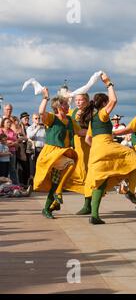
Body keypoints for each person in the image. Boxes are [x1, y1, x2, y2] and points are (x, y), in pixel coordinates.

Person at [82, 73, 136, 225]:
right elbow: (114, 100)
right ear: (104, 103)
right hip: (107, 145)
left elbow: (88, 139)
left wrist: (97, 147)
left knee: (100, 182)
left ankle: (94, 215)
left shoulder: (91, 120)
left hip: (95, 150)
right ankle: (129, 189)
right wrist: (109, 84)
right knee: (133, 158)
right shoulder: (102, 114)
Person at [34, 88, 79, 219]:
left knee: (55, 182)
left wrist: (99, 132)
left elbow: (81, 132)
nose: (68, 106)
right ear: (59, 107)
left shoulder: (70, 120)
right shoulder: (52, 118)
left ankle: (47, 208)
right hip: (51, 154)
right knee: (71, 164)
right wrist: (45, 98)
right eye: (65, 104)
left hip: (62, 153)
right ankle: (58, 193)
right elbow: (41, 112)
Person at [64, 93, 93, 215]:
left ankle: (88, 204)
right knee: (71, 172)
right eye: (76, 100)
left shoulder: (92, 113)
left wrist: (81, 130)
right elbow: (66, 123)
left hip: (87, 147)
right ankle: (55, 200)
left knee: (87, 175)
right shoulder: (73, 111)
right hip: (75, 146)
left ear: (86, 101)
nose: (78, 102)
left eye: (81, 100)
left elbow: (94, 130)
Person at [27, 113, 46, 178]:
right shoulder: (30, 128)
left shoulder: (43, 127)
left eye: (39, 118)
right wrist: (37, 129)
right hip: (34, 150)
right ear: (32, 120)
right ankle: (32, 184)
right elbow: (30, 136)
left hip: (43, 149)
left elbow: (45, 138)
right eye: (36, 118)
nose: (38, 120)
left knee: (41, 167)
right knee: (33, 168)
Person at [0, 117, 19, 184]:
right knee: (4, 170)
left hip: (12, 152)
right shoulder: (1, 130)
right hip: (3, 153)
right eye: (7, 122)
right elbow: (2, 141)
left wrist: (11, 143)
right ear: (3, 123)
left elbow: (17, 142)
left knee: (13, 168)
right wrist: (12, 143)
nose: (9, 123)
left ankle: (15, 185)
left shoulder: (12, 131)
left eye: (10, 122)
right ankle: (4, 185)